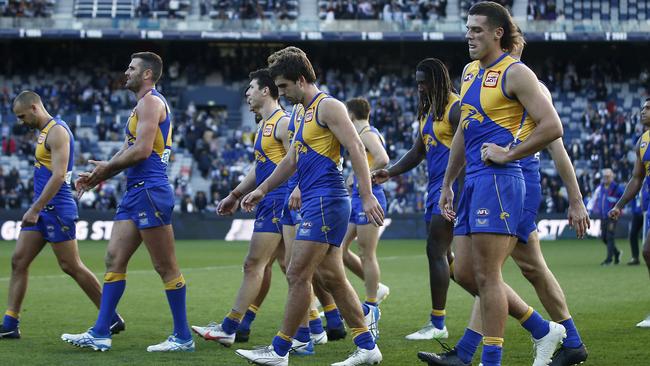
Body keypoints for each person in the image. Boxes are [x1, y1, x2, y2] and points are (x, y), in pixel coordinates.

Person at [418, 40, 590, 365]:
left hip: (516, 179)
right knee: (483, 271)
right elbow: (465, 132)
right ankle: (556, 336)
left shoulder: (527, 83)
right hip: (484, 180)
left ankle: (477, 352)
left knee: (496, 271)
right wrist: (449, 182)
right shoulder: (478, 76)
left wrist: (576, 199)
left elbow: (557, 146)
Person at [236, 46, 384, 366]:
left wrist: (367, 193)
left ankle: (280, 349)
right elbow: (291, 159)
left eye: (285, 87)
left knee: (297, 272)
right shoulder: (302, 111)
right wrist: (261, 189)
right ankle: (367, 345)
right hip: (317, 201)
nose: (283, 93)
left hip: (327, 200)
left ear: (301, 80)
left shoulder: (328, 107)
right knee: (333, 277)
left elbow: (357, 148)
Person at [61, 52, 193, 352]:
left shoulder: (151, 102)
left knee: (165, 266)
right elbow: (126, 152)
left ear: (147, 74)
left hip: (150, 189)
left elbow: (143, 150)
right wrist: (98, 175)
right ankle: (100, 332)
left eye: (132, 68)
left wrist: (106, 169)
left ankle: (183, 336)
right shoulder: (139, 107)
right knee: (114, 259)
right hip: (135, 190)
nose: (126, 71)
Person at [0, 91, 124, 340]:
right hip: (43, 208)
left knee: (71, 265)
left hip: (56, 209)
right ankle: (10, 323)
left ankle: (111, 317)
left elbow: (58, 176)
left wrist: (34, 208)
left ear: (34, 108)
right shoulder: (44, 132)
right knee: (18, 261)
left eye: (22, 116)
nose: (21, 121)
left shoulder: (57, 131)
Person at [191, 68, 299, 348]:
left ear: (266, 91)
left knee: (256, 264)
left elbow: (296, 161)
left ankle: (230, 327)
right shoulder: (264, 125)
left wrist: (295, 191)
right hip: (269, 200)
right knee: (287, 267)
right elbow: (260, 166)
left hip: (278, 201)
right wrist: (236, 194)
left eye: (251, 88)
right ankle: (310, 329)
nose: (247, 93)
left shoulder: (283, 122)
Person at [372, 58, 461, 341]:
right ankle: (487, 294)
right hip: (434, 188)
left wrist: (456, 188)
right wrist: (391, 171)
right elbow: (418, 151)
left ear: (439, 80)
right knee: (444, 255)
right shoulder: (428, 112)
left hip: (451, 188)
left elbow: (468, 150)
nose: (420, 87)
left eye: (424, 81)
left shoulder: (456, 108)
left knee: (435, 250)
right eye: (418, 82)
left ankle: (438, 323)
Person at [340, 97, 390, 311]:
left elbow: (383, 158)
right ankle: (376, 288)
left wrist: (362, 176)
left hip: (371, 197)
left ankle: (371, 304)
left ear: (350, 115)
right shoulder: (362, 134)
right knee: (339, 250)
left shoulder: (367, 134)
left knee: (366, 253)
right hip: (358, 198)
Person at [609, 97, 650, 328]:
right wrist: (619, 205)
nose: (643, 111)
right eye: (643, 107)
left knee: (647, 250)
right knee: (648, 252)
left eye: (648, 108)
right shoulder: (642, 142)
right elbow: (637, 178)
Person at [592, 168, 624, 265]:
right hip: (603, 216)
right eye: (604, 176)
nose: (605, 178)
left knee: (610, 236)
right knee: (604, 237)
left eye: (607, 176)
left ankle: (609, 260)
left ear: (612, 177)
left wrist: (617, 207)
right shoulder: (601, 187)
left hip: (613, 216)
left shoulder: (616, 187)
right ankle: (617, 253)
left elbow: (623, 198)